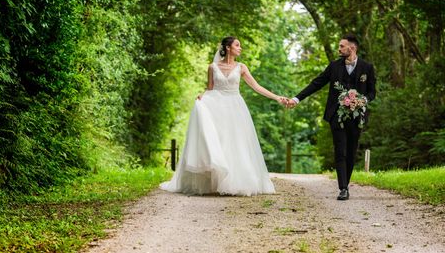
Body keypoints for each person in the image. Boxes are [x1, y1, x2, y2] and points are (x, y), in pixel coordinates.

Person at [160, 36, 287, 196]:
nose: (240, 48)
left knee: (235, 143)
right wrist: (202, 95)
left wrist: (277, 97)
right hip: (216, 107)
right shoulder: (212, 67)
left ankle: (234, 182)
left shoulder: (241, 67)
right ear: (228, 47)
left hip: (235, 107)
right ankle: (215, 181)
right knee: (218, 141)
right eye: (237, 45)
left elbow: (256, 87)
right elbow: (210, 88)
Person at [287, 34, 376, 200]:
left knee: (351, 151)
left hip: (357, 116)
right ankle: (343, 188)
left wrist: (362, 100)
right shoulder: (334, 66)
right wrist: (296, 99)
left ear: (352, 48)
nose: (339, 49)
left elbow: (372, 92)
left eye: (342, 46)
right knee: (340, 150)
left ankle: (346, 183)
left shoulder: (367, 67)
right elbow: (317, 83)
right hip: (336, 114)